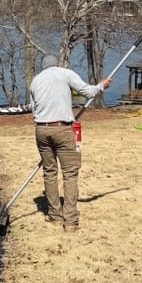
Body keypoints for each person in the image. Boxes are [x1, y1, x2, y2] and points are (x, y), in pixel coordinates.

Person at [29, 55, 111, 232]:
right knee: (70, 174)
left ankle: (55, 216)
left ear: (42, 67)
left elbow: (33, 110)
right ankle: (71, 222)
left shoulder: (35, 81)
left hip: (41, 130)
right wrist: (101, 86)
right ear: (56, 64)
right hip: (62, 129)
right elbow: (88, 92)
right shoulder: (65, 74)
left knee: (49, 173)